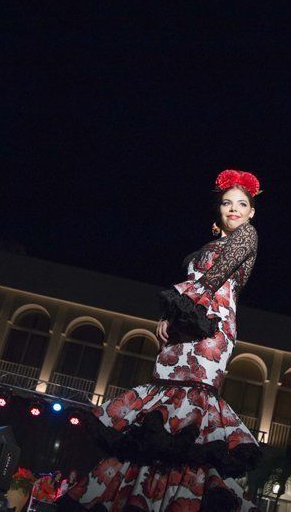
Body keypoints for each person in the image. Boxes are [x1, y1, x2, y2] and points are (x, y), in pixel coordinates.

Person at [58, 169, 262, 511]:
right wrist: (173, 316)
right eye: (227, 203)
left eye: (242, 204)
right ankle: (140, 499)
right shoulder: (211, 243)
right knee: (160, 416)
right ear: (218, 209)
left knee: (189, 414)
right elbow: (199, 282)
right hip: (184, 326)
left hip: (211, 330)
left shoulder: (248, 236)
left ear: (251, 211)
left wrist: (177, 310)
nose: (234, 210)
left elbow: (213, 279)